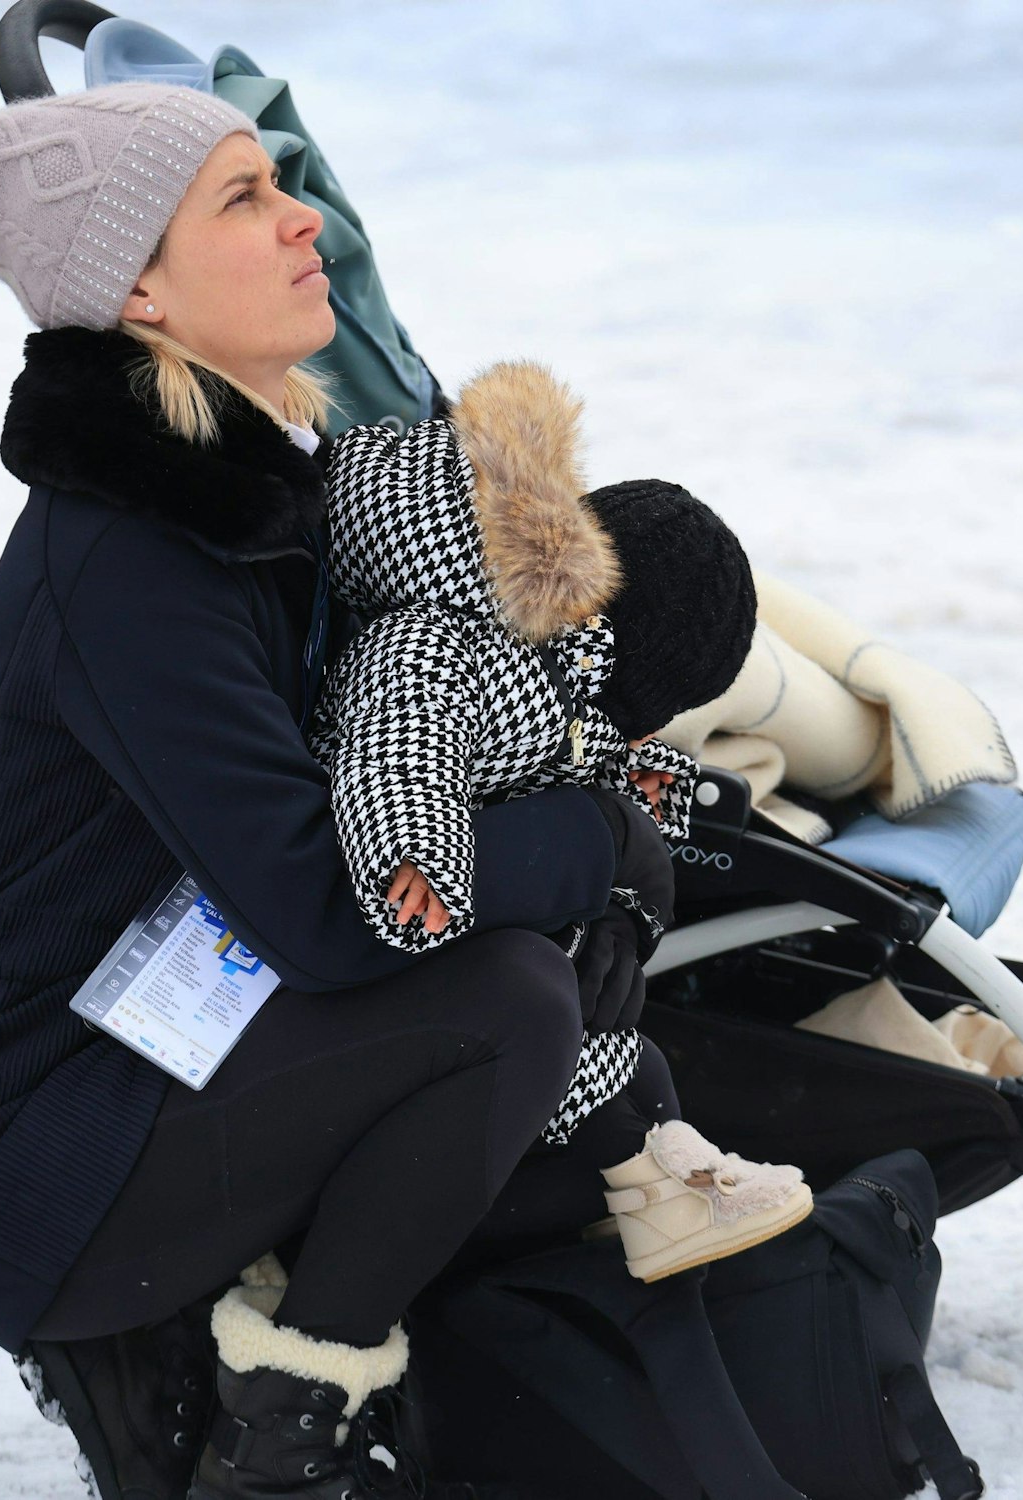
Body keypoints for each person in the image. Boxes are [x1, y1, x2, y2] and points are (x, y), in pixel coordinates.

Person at [0, 83, 672, 1500]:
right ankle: (275, 1450)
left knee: (566, 1078)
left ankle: (218, 1356)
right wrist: (591, 841)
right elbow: (326, 907)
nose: (306, 222)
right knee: (503, 1009)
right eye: (243, 199)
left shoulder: (250, 492)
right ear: (140, 291)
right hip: (18, 1142)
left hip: (151, 1037)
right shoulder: (129, 557)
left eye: (278, 184)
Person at [311, 370, 812, 1281]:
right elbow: (401, 737)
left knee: (627, 1054)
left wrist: (641, 785)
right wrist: (415, 852)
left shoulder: (547, 669)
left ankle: (654, 1195)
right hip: (393, 926)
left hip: (468, 941)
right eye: (655, 711)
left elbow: (563, 748)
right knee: (597, 1058)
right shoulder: (449, 645)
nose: (647, 732)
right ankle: (655, 1194)